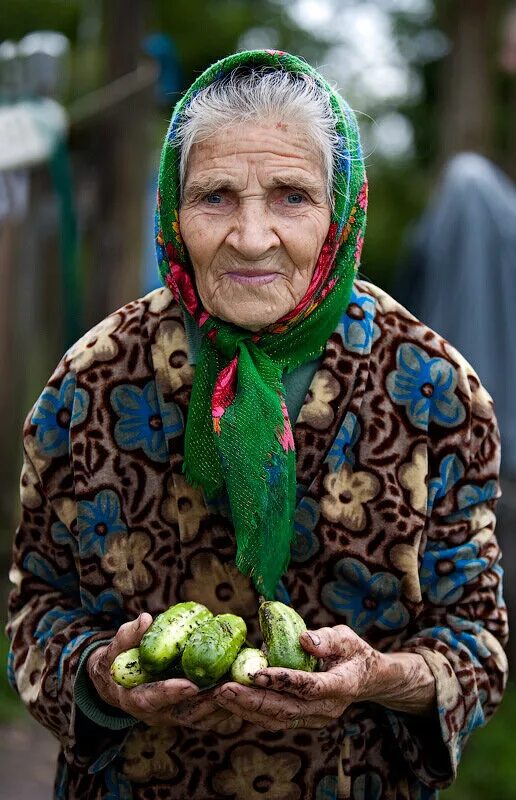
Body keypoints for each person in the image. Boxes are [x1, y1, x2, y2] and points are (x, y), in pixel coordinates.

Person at [6, 50, 508, 800]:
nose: (250, 236)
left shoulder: (433, 391)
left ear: (339, 211)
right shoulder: (92, 383)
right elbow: (36, 607)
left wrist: (378, 677)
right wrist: (103, 677)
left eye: (291, 196)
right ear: (174, 214)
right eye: (214, 196)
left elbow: (477, 642)